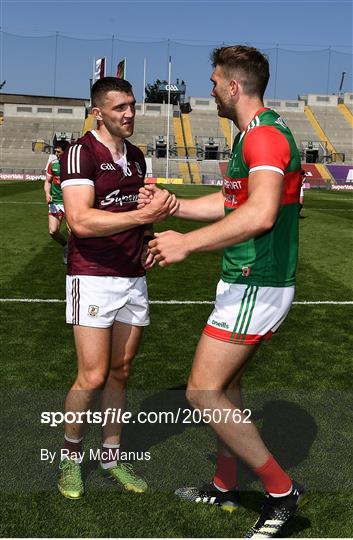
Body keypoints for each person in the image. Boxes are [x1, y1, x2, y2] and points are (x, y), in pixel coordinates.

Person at [139, 45, 305, 538]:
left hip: (259, 280)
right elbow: (233, 203)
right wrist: (175, 207)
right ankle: (224, 484)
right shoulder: (251, 137)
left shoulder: (266, 138)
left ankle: (281, 493)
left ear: (234, 87)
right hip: (243, 278)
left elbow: (260, 215)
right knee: (228, 389)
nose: (209, 89)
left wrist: (185, 244)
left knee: (202, 391)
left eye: (214, 82)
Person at [58, 76, 177, 500]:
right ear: (98, 112)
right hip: (91, 275)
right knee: (91, 375)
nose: (129, 114)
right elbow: (81, 221)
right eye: (119, 108)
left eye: (132, 106)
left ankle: (111, 455)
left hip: (133, 278)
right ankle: (71, 458)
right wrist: (136, 219)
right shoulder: (80, 153)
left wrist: (148, 238)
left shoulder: (137, 156)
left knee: (120, 372)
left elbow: (141, 213)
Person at [44, 140, 70, 263]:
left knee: (73, 231)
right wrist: (47, 193)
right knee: (53, 231)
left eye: (58, 151)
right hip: (55, 202)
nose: (55, 153)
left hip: (70, 202)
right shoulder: (53, 164)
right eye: (55, 151)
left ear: (65, 152)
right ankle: (66, 246)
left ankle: (76, 255)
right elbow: (48, 181)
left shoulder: (72, 165)